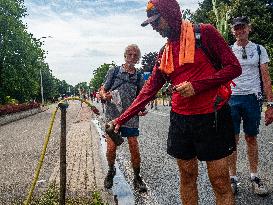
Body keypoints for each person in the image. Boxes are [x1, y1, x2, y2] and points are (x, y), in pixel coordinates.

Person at [111, 0, 242, 204]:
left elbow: (234, 68)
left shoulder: (204, 33)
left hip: (212, 117)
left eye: (156, 21)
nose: (154, 26)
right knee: (187, 178)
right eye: (150, 23)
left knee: (220, 181)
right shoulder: (164, 53)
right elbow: (148, 90)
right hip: (181, 120)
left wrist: (197, 86)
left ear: (170, 14)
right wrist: (121, 119)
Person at [228, 16, 273, 195]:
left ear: (249, 28)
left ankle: (254, 176)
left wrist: (270, 105)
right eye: (237, 29)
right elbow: (222, 75)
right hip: (232, 98)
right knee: (233, 139)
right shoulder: (229, 50)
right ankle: (233, 178)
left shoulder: (260, 50)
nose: (240, 31)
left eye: (243, 27)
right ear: (233, 31)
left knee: (251, 138)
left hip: (252, 98)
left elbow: (266, 78)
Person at [99, 44, 148, 192]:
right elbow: (103, 89)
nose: (132, 57)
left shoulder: (139, 76)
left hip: (130, 117)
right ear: (125, 55)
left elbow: (141, 96)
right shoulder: (113, 71)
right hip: (112, 115)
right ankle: (111, 170)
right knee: (111, 148)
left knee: (134, 146)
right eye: (129, 54)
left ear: (138, 58)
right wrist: (103, 96)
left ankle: (137, 177)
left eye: (135, 55)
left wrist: (141, 108)